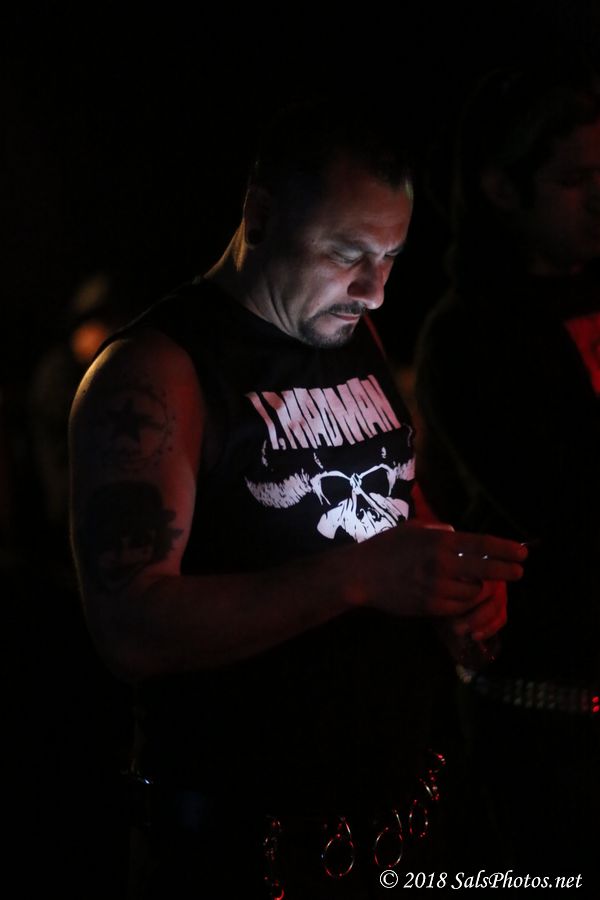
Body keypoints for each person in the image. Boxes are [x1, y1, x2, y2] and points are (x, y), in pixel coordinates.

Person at [68, 98, 527, 899]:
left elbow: (396, 497)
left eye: (391, 257)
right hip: (245, 854)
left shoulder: (349, 329)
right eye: (348, 253)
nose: (374, 291)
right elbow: (130, 628)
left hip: (409, 818)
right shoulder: (155, 372)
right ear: (259, 213)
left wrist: (447, 581)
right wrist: (361, 577)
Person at [414, 61, 600, 886]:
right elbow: (567, 506)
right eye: (572, 180)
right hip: (549, 724)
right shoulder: (470, 339)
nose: (599, 199)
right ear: (501, 188)